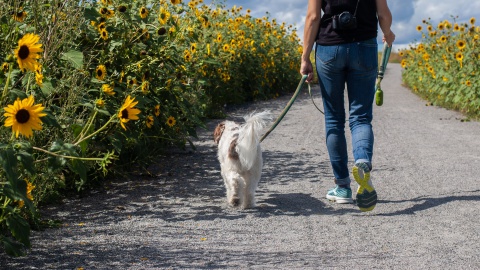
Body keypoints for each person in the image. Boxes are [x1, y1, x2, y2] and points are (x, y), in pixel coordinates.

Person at [300, 0, 395, 212]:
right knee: (361, 117)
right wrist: (388, 33)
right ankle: (362, 159)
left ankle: (342, 187)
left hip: (328, 48)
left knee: (334, 119)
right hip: (365, 46)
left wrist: (305, 57)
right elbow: (383, 13)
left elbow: (313, 17)